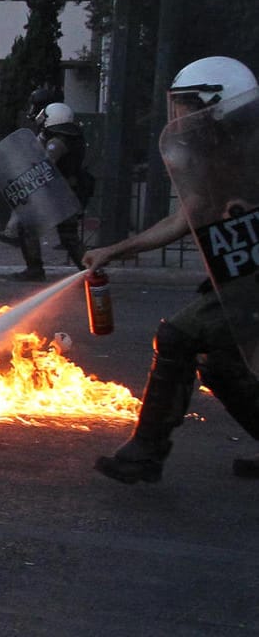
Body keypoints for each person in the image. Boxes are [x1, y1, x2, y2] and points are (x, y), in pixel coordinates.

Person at [87, 57, 259, 485]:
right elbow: (186, 217)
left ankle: (145, 454)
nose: (179, 114)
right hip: (241, 279)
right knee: (220, 364)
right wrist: (115, 250)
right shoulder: (218, 154)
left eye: (186, 104)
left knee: (178, 334)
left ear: (218, 102)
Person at [10, 102, 89, 282]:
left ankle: (35, 269)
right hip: (68, 190)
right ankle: (90, 270)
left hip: (57, 193)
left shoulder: (57, 142)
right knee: (68, 236)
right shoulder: (72, 138)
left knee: (31, 227)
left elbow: (45, 165)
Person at [0, 84, 62, 247]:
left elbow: (49, 157)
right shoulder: (45, 129)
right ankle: (13, 232)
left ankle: (16, 234)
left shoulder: (57, 132)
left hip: (55, 178)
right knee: (23, 198)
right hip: (43, 175)